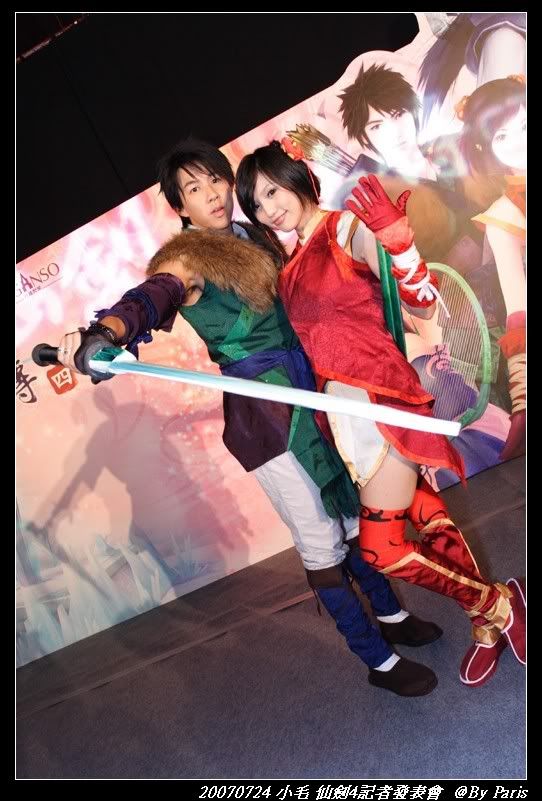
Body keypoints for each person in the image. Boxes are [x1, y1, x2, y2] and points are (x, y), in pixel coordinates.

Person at [53, 138, 441, 697]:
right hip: (266, 417)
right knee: (320, 539)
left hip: (315, 390)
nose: (212, 193)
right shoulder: (186, 259)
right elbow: (150, 297)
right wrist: (104, 333)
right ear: (180, 207)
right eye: (194, 188)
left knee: (352, 516)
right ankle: (376, 659)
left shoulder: (257, 236)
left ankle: (392, 617)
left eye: (216, 179)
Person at [235, 140, 526, 686]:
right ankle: (484, 621)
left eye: (272, 190)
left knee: (382, 549)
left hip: (382, 400)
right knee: (429, 519)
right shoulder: (289, 268)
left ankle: (498, 604)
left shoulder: (345, 229)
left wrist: (400, 246)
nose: (268, 208)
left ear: (297, 177)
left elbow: (421, 302)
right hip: (345, 420)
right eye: (255, 203)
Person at [458, 75, 526, 460]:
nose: (519, 141)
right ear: (487, 148)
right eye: (502, 136)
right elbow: (519, 312)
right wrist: (523, 397)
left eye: (524, 125)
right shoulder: (505, 216)